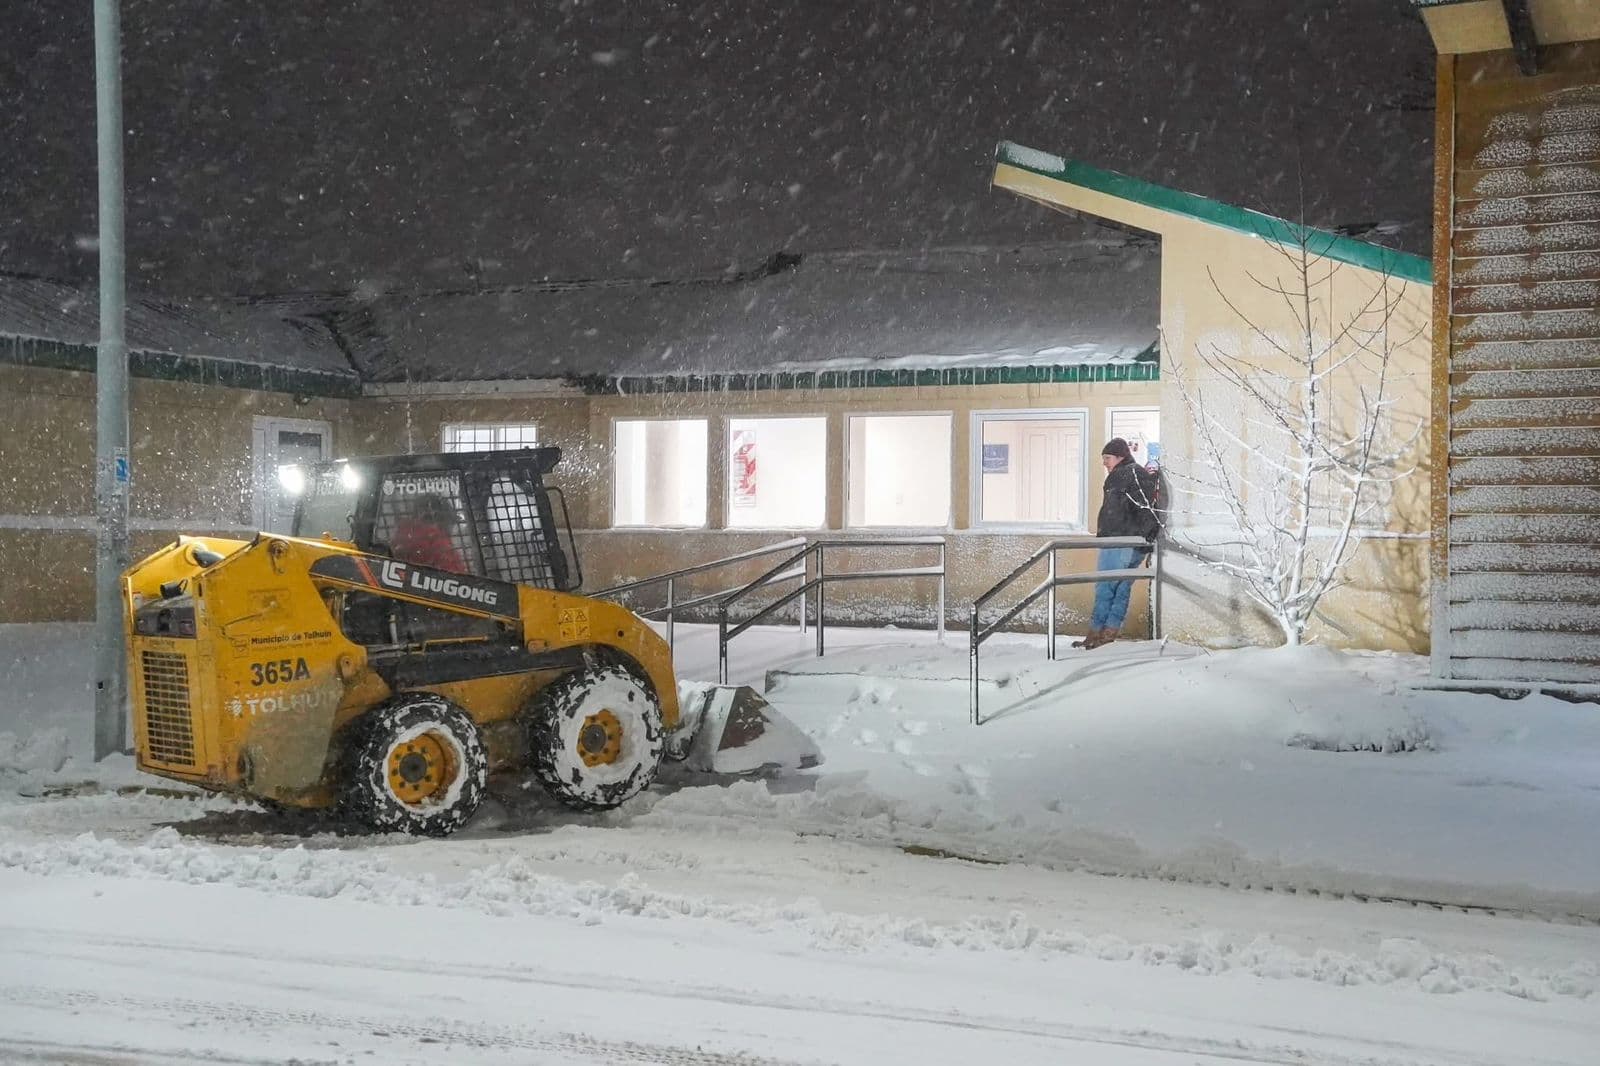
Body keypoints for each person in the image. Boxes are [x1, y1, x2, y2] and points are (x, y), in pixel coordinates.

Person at [1075, 438, 1160, 650]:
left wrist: (1141, 535)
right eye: (1103, 458)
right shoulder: (1134, 473)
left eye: (1107, 458)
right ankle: (1108, 634)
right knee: (1121, 589)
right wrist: (1145, 538)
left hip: (1119, 540)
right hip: (1132, 541)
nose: (1104, 462)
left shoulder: (1125, 474)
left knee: (1105, 587)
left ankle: (1095, 634)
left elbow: (1142, 507)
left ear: (1120, 456)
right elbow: (1146, 506)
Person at [391, 494, 468, 573]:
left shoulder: (401, 538)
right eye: (450, 521)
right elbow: (457, 578)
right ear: (438, 519)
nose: (451, 527)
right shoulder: (439, 544)